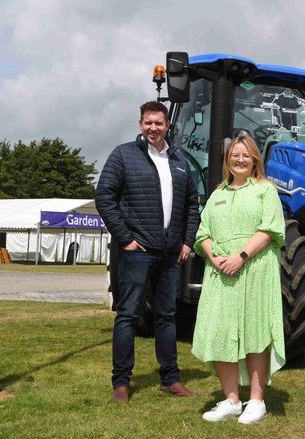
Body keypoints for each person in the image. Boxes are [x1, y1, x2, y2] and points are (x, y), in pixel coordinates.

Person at [96, 101, 200, 402]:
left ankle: (171, 379)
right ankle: (121, 383)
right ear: (140, 125)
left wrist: (187, 241)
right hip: (137, 250)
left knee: (167, 316)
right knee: (128, 314)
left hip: (170, 254)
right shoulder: (123, 155)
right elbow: (104, 197)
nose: (153, 128)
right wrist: (125, 238)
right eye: (148, 123)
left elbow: (191, 205)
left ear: (168, 125)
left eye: (159, 123)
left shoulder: (179, 160)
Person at [191, 135, 286, 424]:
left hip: (254, 270)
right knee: (221, 331)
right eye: (235, 155)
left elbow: (270, 229)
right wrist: (214, 256)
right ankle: (232, 399)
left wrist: (240, 256)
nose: (240, 159)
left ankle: (256, 401)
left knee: (255, 330)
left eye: (246, 155)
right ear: (227, 159)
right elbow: (202, 234)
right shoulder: (217, 193)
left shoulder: (265, 191)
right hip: (220, 273)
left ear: (255, 159)